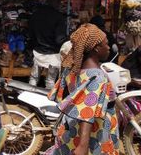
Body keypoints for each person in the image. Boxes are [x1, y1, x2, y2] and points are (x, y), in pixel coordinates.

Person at [46, 23, 118, 155]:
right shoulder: (97, 77)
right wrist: (83, 146)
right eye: (106, 44)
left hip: (70, 130)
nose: (109, 48)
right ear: (96, 48)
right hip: (92, 137)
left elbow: (65, 98)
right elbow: (87, 111)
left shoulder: (71, 70)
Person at [29, 0, 67, 89]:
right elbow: (60, 39)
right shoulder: (59, 17)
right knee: (50, 81)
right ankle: (47, 101)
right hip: (53, 54)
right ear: (57, 2)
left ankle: (27, 97)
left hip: (38, 51)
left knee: (33, 78)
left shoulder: (36, 14)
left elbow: (31, 33)